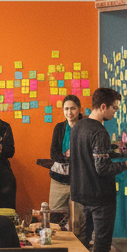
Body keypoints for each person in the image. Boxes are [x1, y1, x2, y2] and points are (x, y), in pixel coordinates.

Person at [69, 88, 127, 252]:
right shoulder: (99, 132)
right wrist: (124, 165)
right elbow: (102, 168)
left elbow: (89, 157)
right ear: (104, 107)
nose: (116, 112)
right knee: (102, 244)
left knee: (81, 241)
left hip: (81, 194)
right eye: (115, 108)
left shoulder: (78, 126)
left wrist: (113, 152)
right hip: (100, 197)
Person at [48, 93, 86, 239]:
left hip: (80, 179)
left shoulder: (86, 127)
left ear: (79, 109)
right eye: (66, 109)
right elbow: (53, 153)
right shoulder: (59, 127)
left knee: (79, 220)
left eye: (73, 109)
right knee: (55, 217)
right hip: (59, 178)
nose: (69, 112)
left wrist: (74, 154)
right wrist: (66, 156)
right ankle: (59, 250)